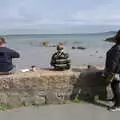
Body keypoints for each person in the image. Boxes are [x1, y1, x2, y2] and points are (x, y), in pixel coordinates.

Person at [104, 30, 120, 111]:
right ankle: (115, 99)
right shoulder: (117, 46)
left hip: (115, 71)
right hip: (116, 70)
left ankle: (117, 105)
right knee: (114, 86)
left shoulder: (118, 48)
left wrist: (111, 72)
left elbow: (114, 61)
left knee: (115, 86)